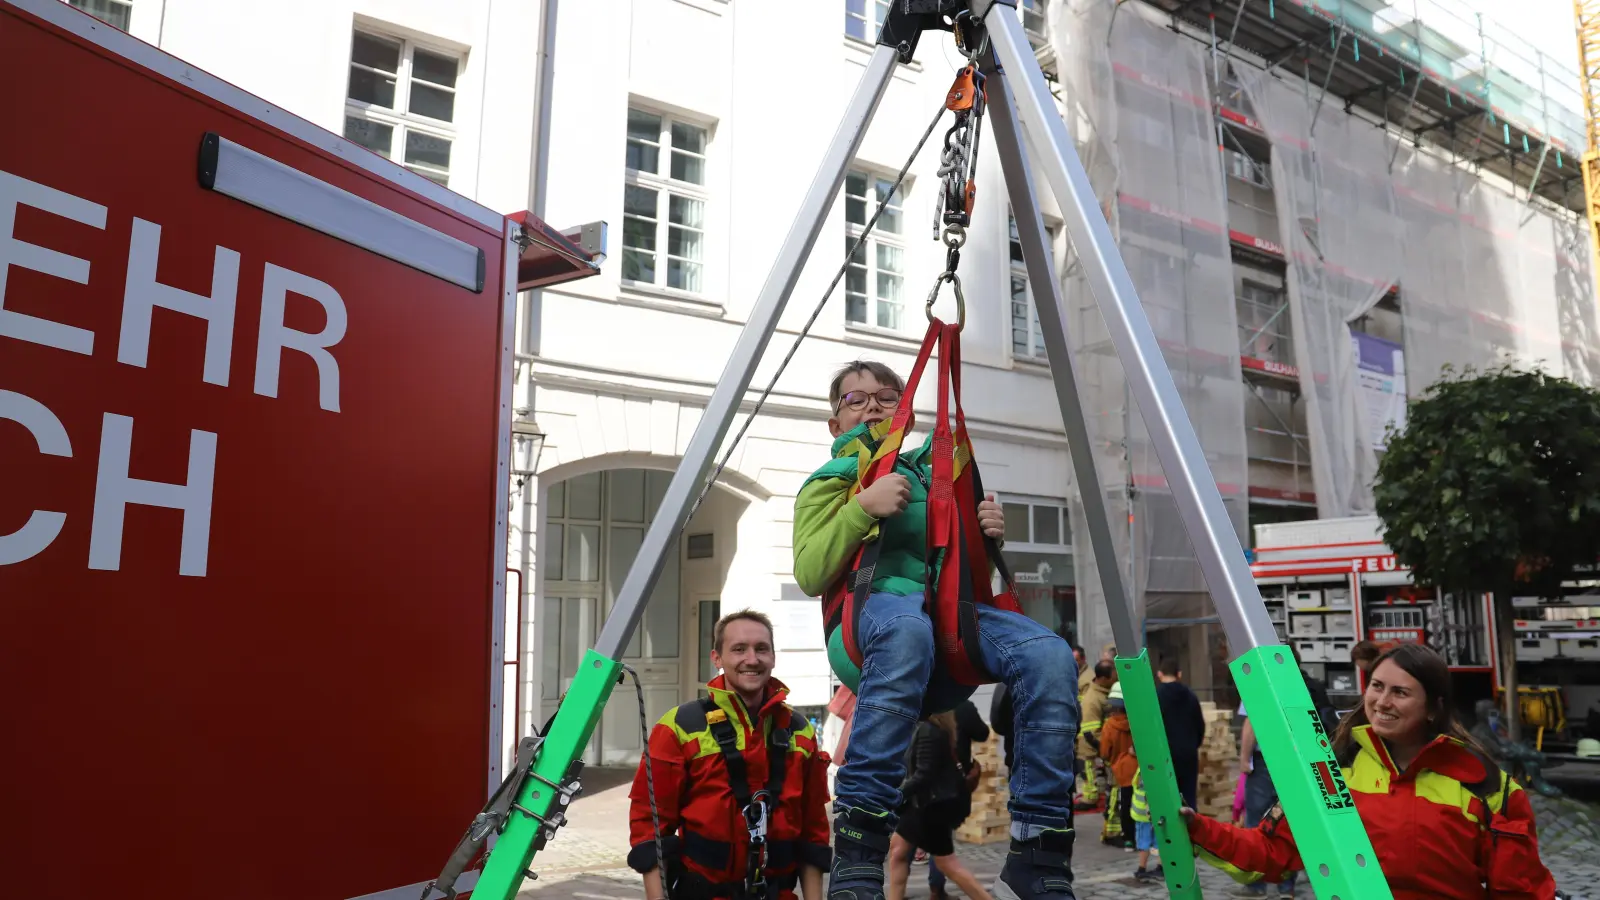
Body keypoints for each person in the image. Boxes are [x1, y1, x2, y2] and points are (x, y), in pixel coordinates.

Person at [793, 360, 1080, 900]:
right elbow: (810, 570)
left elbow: (965, 570)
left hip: (943, 627)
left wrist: (985, 531)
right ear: (835, 422)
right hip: (871, 618)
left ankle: (1039, 843)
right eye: (856, 400)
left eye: (886, 396)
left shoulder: (938, 475)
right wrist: (860, 509)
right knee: (906, 629)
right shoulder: (829, 484)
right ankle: (857, 845)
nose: (874, 406)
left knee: (1048, 654)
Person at [1182, 643, 1559, 899]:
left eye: (1400, 692)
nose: (1382, 702)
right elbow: (1271, 851)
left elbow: (1520, 890)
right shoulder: (1333, 771)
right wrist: (1198, 829)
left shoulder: (1488, 786)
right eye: (1377, 686)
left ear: (1433, 708)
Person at [627, 610, 832, 900]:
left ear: (773, 657)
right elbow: (650, 829)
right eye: (738, 649)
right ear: (717, 658)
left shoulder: (799, 731)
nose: (752, 659)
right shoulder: (678, 727)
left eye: (761, 648)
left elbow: (814, 833)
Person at [885, 712, 994, 900]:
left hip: (929, 809)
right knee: (898, 852)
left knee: (947, 864)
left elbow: (924, 775)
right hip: (922, 806)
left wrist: (897, 795)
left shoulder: (930, 730)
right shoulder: (934, 726)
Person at [924, 699, 990, 900]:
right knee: (941, 840)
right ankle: (936, 889)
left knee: (906, 840)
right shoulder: (963, 706)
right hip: (947, 786)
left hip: (919, 782)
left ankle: (899, 892)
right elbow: (982, 733)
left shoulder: (920, 702)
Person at [1154, 655, 1204, 809]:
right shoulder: (1191, 696)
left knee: (1166, 800)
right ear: (1179, 674)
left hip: (1164, 756)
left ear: (1159, 674)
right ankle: (1190, 831)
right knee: (1188, 798)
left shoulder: (1155, 697)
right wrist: (1192, 745)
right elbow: (1200, 726)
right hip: (1188, 754)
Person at [1096, 680, 1136, 847]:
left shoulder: (1109, 726)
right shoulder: (1136, 723)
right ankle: (1132, 834)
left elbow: (1105, 751)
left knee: (1114, 800)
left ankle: (1112, 833)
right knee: (1132, 803)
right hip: (1134, 769)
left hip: (1115, 768)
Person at [1076, 661, 1116, 811]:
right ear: (1103, 679)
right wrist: (1107, 748)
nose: (1116, 678)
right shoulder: (1092, 700)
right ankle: (1089, 800)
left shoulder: (1105, 692)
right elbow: (1090, 732)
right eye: (1113, 676)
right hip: (1090, 747)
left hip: (1104, 742)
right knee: (1090, 776)